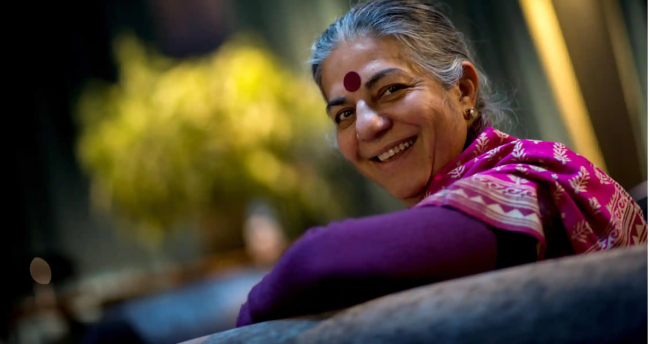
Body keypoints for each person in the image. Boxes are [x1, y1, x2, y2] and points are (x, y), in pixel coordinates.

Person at [236, 0, 647, 327]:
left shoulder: (532, 186)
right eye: (344, 114)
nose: (367, 127)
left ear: (464, 90)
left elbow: (316, 259)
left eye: (391, 90)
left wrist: (244, 323)